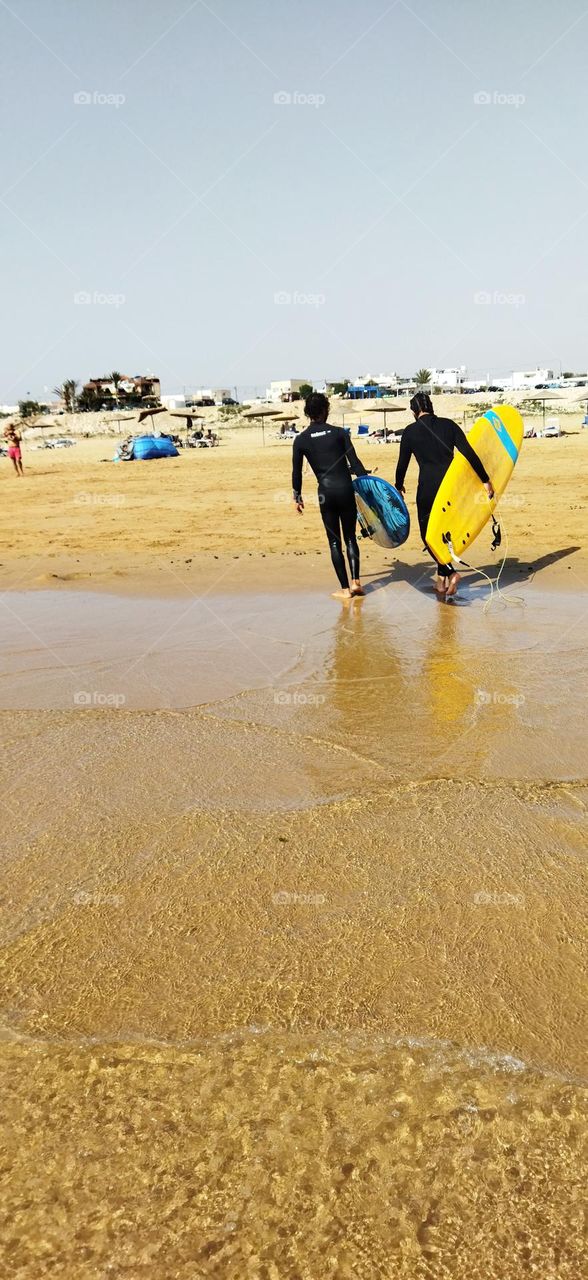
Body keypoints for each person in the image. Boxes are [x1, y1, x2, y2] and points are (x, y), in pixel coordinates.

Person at [395, 392, 494, 597]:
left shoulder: (410, 432)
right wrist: (485, 480)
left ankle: (451, 573)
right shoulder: (449, 425)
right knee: (445, 534)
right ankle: (441, 583)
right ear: (431, 407)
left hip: (428, 489)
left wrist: (398, 485)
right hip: (451, 489)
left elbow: (402, 463)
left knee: (429, 536)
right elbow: (468, 453)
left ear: (414, 411)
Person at [292, 392, 369, 600]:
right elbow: (355, 463)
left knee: (334, 542)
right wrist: (369, 486)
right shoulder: (339, 433)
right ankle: (356, 582)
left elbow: (296, 472)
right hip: (345, 490)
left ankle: (344, 589)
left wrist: (297, 496)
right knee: (350, 536)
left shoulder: (301, 440)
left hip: (326, 494)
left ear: (308, 413)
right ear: (326, 410)